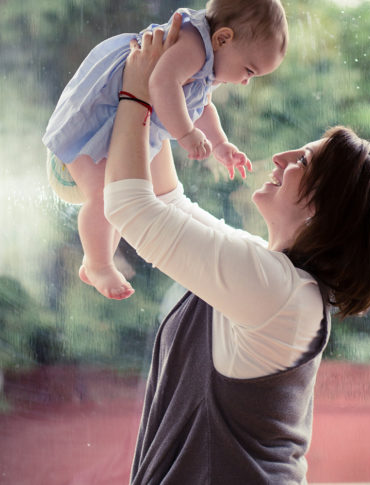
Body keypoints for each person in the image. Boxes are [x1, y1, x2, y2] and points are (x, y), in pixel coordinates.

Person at [101, 22, 370, 484]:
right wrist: (165, 91)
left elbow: (132, 207)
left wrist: (136, 95)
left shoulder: (278, 294)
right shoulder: (276, 279)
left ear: (328, 209)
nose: (283, 156)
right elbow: (167, 202)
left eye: (304, 161)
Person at [42, 0, 288, 300]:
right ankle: (97, 263)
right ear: (223, 38)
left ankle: (98, 261)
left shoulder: (208, 58)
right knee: (106, 197)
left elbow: (201, 102)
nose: (246, 81)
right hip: (96, 120)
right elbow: (161, 82)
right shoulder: (192, 45)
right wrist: (185, 134)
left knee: (117, 197)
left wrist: (221, 144)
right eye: (248, 70)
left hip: (115, 119)